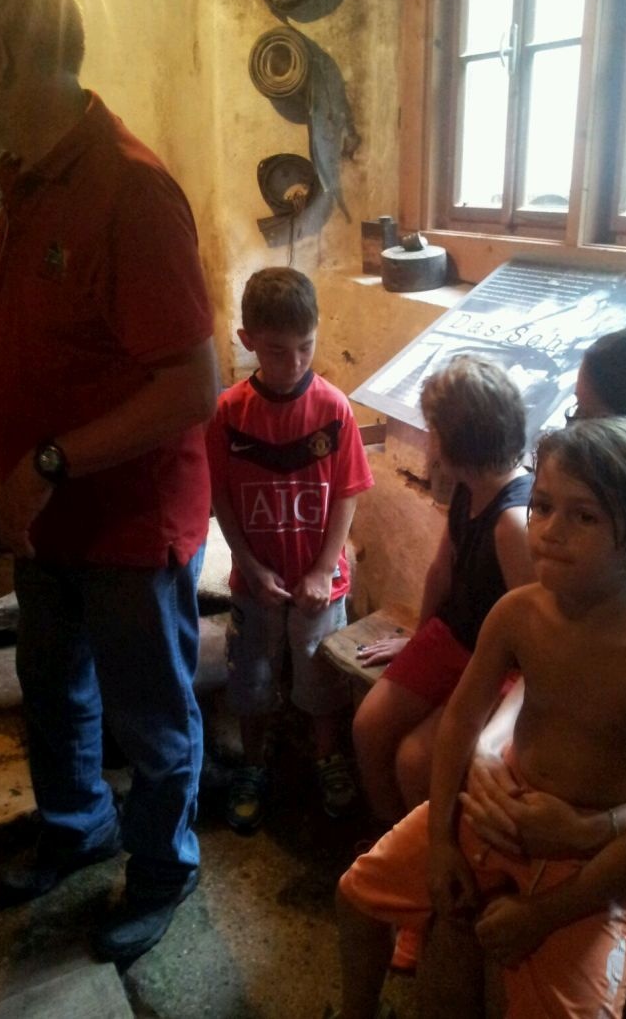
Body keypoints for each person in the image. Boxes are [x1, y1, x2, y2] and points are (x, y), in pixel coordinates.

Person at [0, 0, 219, 965]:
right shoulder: (26, 175)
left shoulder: (130, 190)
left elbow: (191, 386)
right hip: (51, 519)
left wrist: (47, 460)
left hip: (127, 526)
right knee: (53, 689)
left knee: (151, 716)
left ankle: (163, 867)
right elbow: (78, 307)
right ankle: (77, 827)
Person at [328, 416, 626, 1019]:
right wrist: (442, 839)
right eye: (544, 506)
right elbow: (461, 722)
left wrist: (542, 916)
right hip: (492, 813)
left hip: (590, 862)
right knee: (356, 896)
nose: (550, 530)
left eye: (584, 516)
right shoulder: (518, 613)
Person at [460, 325, 626, 1014]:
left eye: (586, 414)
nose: (572, 430)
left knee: (590, 940)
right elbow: (553, 651)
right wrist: (491, 747)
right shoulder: (597, 532)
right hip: (599, 774)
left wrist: (603, 828)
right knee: (472, 857)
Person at [206, 267, 374, 831]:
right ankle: (253, 763)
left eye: (306, 346)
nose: (295, 362)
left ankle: (326, 756)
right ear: (247, 340)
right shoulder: (229, 414)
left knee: (320, 673)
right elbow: (221, 497)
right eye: (277, 351)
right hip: (256, 583)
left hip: (319, 583)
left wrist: (325, 569)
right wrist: (248, 565)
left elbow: (348, 491)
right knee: (252, 677)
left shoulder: (334, 409)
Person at [352, 355, 534, 828]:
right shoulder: (467, 487)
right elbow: (441, 571)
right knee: (368, 727)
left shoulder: (512, 521)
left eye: (432, 429)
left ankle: (433, 855)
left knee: (415, 761)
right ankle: (390, 842)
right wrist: (420, 638)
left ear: (456, 442)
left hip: (498, 662)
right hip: (454, 637)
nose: (428, 439)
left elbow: (533, 631)